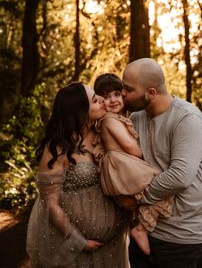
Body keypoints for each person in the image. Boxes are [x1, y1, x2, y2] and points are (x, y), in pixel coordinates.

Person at [120, 58, 202, 268]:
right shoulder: (136, 119)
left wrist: (137, 198)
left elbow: (180, 176)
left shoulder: (187, 119)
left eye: (128, 89)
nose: (123, 93)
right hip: (144, 229)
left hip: (183, 236)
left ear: (151, 93)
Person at [26, 82, 129, 268]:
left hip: (113, 243)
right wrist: (77, 240)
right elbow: (50, 202)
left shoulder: (104, 133)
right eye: (95, 100)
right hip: (75, 248)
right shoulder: (57, 148)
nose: (103, 102)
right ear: (79, 111)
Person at [94, 73, 173, 256]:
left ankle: (140, 228)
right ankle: (141, 229)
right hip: (122, 166)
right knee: (163, 187)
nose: (112, 100)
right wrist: (144, 155)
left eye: (116, 94)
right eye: (105, 97)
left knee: (150, 195)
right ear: (99, 100)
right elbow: (131, 147)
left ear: (123, 94)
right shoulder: (109, 120)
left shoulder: (121, 118)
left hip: (123, 166)